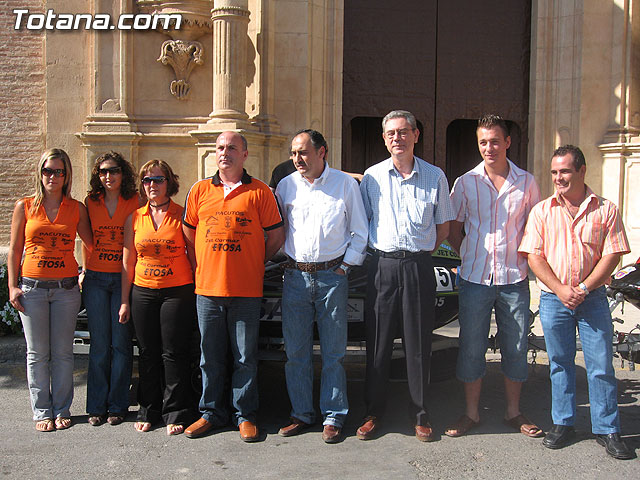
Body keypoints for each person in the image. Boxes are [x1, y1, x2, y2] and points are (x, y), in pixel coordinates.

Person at [519, 145, 633, 460]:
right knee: (559, 363)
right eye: (555, 172)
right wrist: (560, 289)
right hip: (555, 300)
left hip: (593, 299)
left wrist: (582, 287)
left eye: (565, 171)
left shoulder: (606, 209)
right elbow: (534, 256)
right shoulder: (542, 210)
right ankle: (562, 422)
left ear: (582, 171)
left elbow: (612, 254)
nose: (559, 178)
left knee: (600, 366)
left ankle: (607, 428)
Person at [358, 110, 455, 442]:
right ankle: (374, 412)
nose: (396, 138)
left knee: (417, 344)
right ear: (384, 139)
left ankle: (420, 412)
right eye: (390, 134)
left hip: (417, 266)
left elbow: (443, 227)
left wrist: (422, 252)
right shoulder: (371, 177)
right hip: (381, 268)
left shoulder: (435, 176)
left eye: (403, 132)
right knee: (379, 343)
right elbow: (363, 222)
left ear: (416, 135)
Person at [182, 131, 284, 442]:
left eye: (232, 148)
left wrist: (254, 262)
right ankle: (211, 413)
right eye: (220, 148)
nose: (224, 153)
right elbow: (188, 236)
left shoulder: (260, 192)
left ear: (245, 154)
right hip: (208, 291)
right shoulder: (199, 190)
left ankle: (245, 415)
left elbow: (276, 237)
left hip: (246, 291)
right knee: (209, 356)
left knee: (244, 357)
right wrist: (203, 265)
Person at [445, 114, 542, 438]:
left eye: (495, 141)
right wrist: (467, 254)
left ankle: (514, 412)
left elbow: (534, 229)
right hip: (474, 278)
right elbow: (453, 228)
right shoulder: (465, 183)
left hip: (514, 280)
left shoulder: (527, 182)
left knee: (515, 346)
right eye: (483, 142)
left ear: (508, 142)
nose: (489, 147)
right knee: (471, 347)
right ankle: (471, 414)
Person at [275, 129, 368, 443]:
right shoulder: (285, 187)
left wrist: (344, 266)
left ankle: (333, 416)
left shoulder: (344, 185)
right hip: (295, 278)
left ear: (322, 152)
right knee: (296, 352)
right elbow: (276, 232)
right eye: (293, 153)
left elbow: (359, 231)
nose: (297, 159)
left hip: (332, 278)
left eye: (303, 152)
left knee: (333, 353)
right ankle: (301, 413)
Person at [7, 148, 92, 432]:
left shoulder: (76, 208)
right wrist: (12, 286)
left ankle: (62, 409)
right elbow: (15, 250)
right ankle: (43, 411)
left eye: (59, 171)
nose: (52, 176)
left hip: (66, 289)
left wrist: (85, 273)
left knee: (63, 353)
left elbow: (90, 244)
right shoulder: (25, 206)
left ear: (66, 175)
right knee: (37, 353)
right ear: (40, 173)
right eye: (47, 171)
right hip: (32, 289)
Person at [119, 160, 196, 436]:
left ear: (169, 183)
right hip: (143, 291)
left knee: (174, 352)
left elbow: (193, 254)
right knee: (148, 353)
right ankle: (148, 408)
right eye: (147, 180)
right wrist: (125, 300)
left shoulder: (182, 214)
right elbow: (128, 260)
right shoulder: (134, 217)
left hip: (177, 290)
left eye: (158, 179)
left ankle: (176, 410)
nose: (152, 185)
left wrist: (199, 289)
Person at [82, 151, 140, 427]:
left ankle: (118, 405)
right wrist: (85, 269)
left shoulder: (135, 202)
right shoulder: (91, 202)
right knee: (100, 346)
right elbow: (86, 238)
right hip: (95, 279)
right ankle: (96, 406)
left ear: (123, 173)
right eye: (103, 172)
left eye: (114, 170)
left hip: (122, 279)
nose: (108, 176)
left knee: (121, 344)